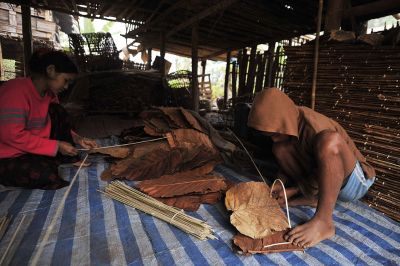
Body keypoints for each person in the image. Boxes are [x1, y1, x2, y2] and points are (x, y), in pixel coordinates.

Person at [247, 88, 375, 248]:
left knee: (330, 140)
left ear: (284, 122)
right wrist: (281, 182)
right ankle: (312, 198)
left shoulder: (313, 126)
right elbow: (296, 161)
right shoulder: (289, 125)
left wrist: (294, 190)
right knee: (280, 148)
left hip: (353, 182)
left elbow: (325, 168)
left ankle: (324, 222)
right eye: (269, 136)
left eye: (275, 133)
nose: (273, 139)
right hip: (323, 183)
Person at [0, 50, 98, 189]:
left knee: (57, 111)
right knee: (47, 176)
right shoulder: (14, 92)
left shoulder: (49, 95)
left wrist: (78, 139)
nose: (66, 87)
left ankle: (65, 157)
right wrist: (56, 146)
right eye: (66, 80)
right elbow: (12, 135)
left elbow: (59, 126)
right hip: (8, 156)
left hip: (31, 150)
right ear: (51, 70)